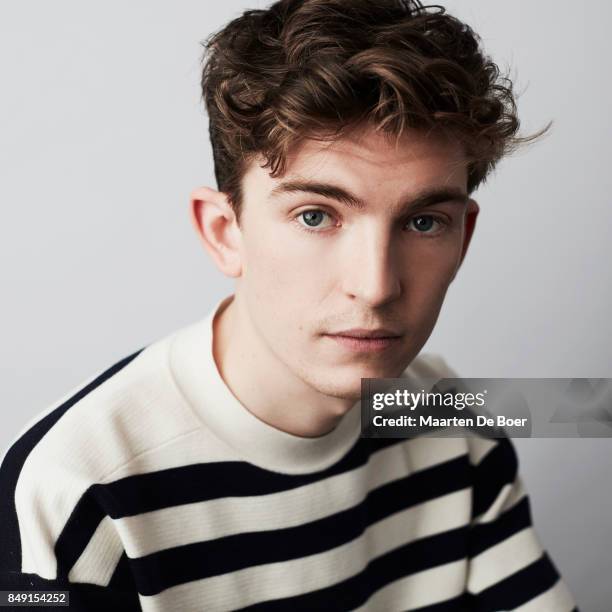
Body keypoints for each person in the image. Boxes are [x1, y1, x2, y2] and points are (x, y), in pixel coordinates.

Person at [0, 0, 578, 610]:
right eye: (315, 215)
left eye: (424, 221)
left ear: (464, 237)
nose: (377, 286)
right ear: (225, 232)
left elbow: (585, 409)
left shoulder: (450, 418)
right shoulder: (75, 489)